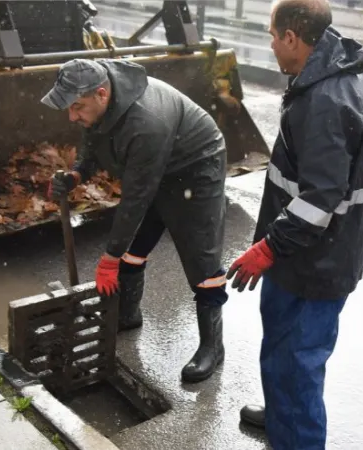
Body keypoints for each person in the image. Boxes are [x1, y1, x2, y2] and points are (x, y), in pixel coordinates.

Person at [225, 0, 363, 447]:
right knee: (283, 349)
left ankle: (295, 435)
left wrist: (269, 248)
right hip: (316, 252)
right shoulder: (342, 68)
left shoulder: (324, 100)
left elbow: (319, 199)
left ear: (293, 38)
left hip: (313, 260)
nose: (272, 44)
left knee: (296, 362)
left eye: (273, 36)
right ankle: (282, 413)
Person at [41, 58, 229, 383]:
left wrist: (109, 257)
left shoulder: (146, 121)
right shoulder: (101, 101)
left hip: (197, 167)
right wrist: (76, 174)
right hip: (158, 165)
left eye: (77, 107)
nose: (72, 116)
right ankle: (128, 314)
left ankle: (213, 347)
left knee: (202, 261)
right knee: (135, 248)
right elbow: (93, 140)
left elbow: (136, 198)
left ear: (101, 94)